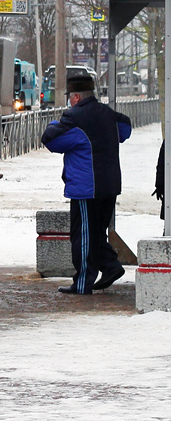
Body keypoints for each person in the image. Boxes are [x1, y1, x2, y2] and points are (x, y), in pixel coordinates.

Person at [41, 74, 132, 294]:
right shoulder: (109, 115)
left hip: (86, 187)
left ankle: (83, 283)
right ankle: (110, 267)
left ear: (76, 97)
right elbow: (125, 129)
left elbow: (51, 140)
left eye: (70, 97)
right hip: (109, 186)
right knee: (96, 233)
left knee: (82, 237)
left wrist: (55, 122)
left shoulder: (74, 118)